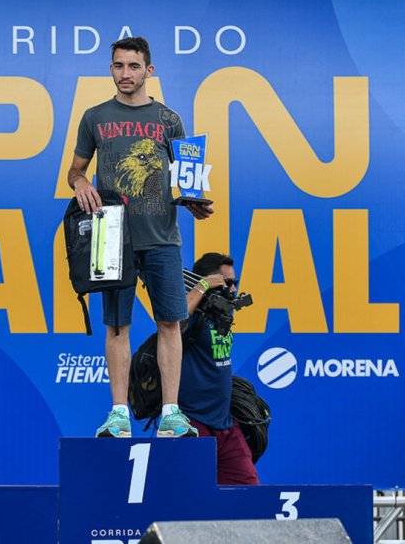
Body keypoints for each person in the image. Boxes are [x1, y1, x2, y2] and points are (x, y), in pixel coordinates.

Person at [67, 36, 213, 439]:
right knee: (117, 326)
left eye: (133, 66)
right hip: (111, 236)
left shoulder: (169, 119)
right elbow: (75, 170)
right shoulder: (94, 117)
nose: (125, 73)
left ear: (149, 70)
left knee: (170, 323)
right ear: (111, 69)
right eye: (118, 65)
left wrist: (193, 201)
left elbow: (187, 178)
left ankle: (171, 414)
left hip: (162, 237)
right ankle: (118, 415)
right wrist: (80, 182)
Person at [179, 252, 259, 485]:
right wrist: (202, 285)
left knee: (248, 491)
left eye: (236, 282)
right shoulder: (193, 314)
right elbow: (173, 321)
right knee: (192, 495)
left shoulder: (223, 311)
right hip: (193, 423)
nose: (233, 289)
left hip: (226, 425)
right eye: (227, 283)